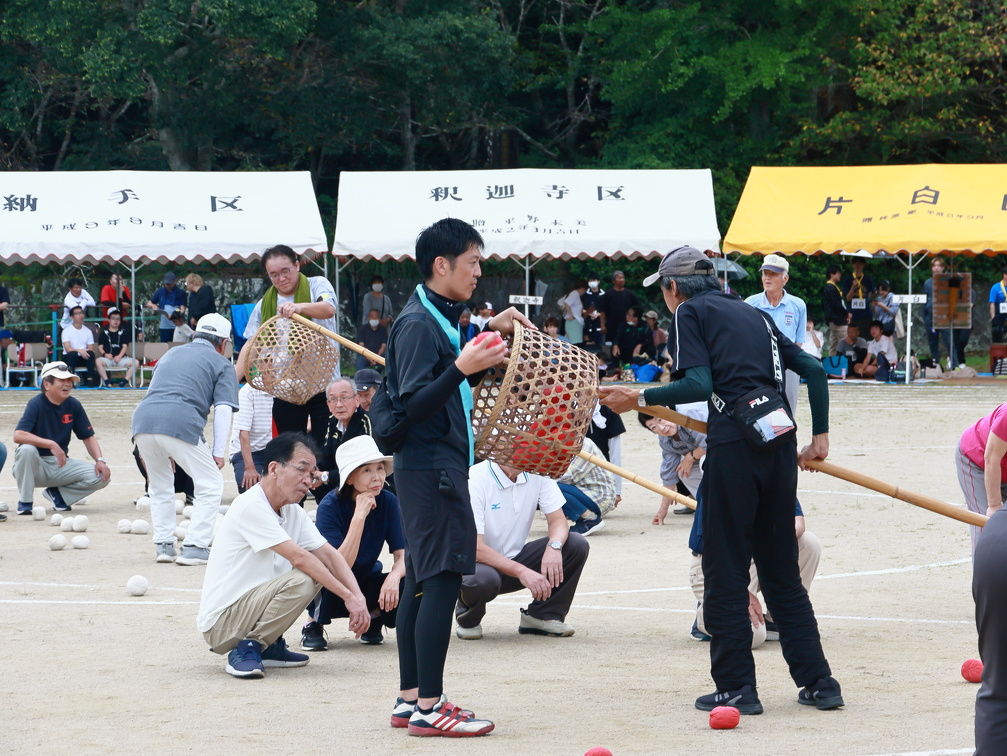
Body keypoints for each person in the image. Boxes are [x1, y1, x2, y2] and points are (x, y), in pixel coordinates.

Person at [600, 245, 841, 716]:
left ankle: (735, 687)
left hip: (735, 444)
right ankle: (819, 683)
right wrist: (821, 437)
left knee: (725, 568)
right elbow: (814, 369)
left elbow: (699, 384)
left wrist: (639, 397)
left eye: (664, 290)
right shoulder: (756, 314)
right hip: (780, 438)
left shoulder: (689, 312)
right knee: (781, 572)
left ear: (673, 287)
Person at [381, 217, 530, 737]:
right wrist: (463, 367)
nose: (478, 271)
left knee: (423, 581)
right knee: (441, 581)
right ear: (441, 265)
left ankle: (410, 700)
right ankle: (430, 706)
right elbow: (416, 403)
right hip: (431, 469)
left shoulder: (435, 315)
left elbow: (446, 377)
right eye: (473, 262)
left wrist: (489, 333)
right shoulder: (417, 324)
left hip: (432, 468)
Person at [196, 432, 369, 679]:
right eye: (302, 470)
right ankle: (248, 647)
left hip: (249, 612)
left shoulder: (292, 511)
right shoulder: (251, 505)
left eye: (312, 474)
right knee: (306, 576)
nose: (308, 480)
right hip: (223, 624)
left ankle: (268, 646)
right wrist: (348, 597)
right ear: (274, 468)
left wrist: (358, 597)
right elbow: (301, 559)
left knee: (316, 571)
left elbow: (331, 556)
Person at [132, 313, 239, 565]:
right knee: (211, 483)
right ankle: (195, 547)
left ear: (195, 335)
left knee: (160, 485)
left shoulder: (170, 354)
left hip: (143, 421)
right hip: (179, 421)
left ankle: (164, 546)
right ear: (224, 343)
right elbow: (224, 409)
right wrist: (218, 451)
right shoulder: (222, 363)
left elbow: (155, 393)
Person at [455, 459, 590, 641]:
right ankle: (468, 617)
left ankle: (543, 615)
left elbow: (558, 520)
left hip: (516, 558)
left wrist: (554, 546)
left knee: (575, 544)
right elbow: (476, 548)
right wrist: (521, 571)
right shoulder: (474, 477)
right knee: (482, 580)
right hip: (476, 565)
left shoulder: (539, 472)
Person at [302, 436, 405, 650]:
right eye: (366, 470)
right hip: (333, 584)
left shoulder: (388, 501)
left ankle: (374, 617)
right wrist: (359, 516)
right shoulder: (329, 506)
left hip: (367, 578)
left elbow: (403, 554)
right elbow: (339, 565)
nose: (377, 477)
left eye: (379, 468)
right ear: (349, 478)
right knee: (319, 578)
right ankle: (313, 623)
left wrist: (394, 577)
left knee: (410, 579)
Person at [688, 490, 821, 647]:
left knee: (808, 543)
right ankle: (706, 616)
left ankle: (778, 618)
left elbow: (797, 523)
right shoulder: (720, 481)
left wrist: (771, 544)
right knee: (751, 636)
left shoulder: (773, 478)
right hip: (719, 566)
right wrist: (740, 593)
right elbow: (717, 549)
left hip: (756, 555)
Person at [236, 245, 338, 449]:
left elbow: (328, 309)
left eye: (285, 271)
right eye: (274, 275)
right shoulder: (265, 303)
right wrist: (232, 381)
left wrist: (299, 307)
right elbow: (252, 343)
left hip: (324, 384)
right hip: (286, 387)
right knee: (291, 451)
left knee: (326, 451)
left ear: (297, 266)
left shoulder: (317, 285)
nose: (281, 278)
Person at [12, 361, 111, 515]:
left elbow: (88, 437)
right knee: (26, 450)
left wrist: (100, 460)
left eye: (69, 380)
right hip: (34, 466)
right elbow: (18, 435)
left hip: (60, 465)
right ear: (47, 384)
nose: (67, 384)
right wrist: (51, 444)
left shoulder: (73, 405)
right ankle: (25, 502)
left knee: (101, 476)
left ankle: (58, 496)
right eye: (62, 380)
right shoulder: (36, 404)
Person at [745, 254, 806, 412]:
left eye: (773, 274)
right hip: (759, 363)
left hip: (789, 363)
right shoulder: (750, 303)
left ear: (785, 279)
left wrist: (788, 363)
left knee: (789, 407)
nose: (767, 278)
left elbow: (799, 341)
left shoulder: (798, 305)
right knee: (759, 407)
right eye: (765, 273)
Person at [640, 403, 707, 522]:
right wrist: (663, 510)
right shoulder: (665, 440)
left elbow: (712, 440)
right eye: (654, 427)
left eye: (660, 420)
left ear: (667, 410)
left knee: (705, 461)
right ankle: (709, 505)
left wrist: (690, 457)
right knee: (683, 471)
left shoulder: (688, 414)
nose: (661, 428)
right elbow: (669, 475)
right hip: (707, 451)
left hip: (731, 445)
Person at [957, 403, 1007, 554]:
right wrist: (994, 505)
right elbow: (991, 458)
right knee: (987, 525)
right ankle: (986, 569)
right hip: (977, 462)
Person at [314, 377, 373, 501]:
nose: (339, 404)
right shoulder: (333, 421)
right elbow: (326, 454)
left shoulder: (366, 422)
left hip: (364, 477)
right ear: (328, 404)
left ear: (357, 400)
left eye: (344, 398)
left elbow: (364, 465)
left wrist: (326, 476)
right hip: (340, 477)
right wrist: (313, 470)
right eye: (333, 399)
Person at [556, 436, 616, 535]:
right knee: (545, 487)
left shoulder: (584, 445)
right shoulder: (562, 443)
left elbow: (566, 477)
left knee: (551, 488)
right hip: (582, 490)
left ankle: (590, 519)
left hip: (599, 496)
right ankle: (579, 519)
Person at [229, 383, 274, 494]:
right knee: (250, 488)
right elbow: (243, 433)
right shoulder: (249, 391)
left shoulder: (287, 387)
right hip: (250, 451)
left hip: (276, 449)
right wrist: (249, 467)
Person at [61, 305, 104, 388]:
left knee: (91, 353)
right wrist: (80, 351)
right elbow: (68, 349)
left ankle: (90, 380)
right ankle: (70, 380)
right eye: (77, 314)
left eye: (81, 313)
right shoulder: (66, 331)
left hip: (83, 356)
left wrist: (85, 352)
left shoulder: (88, 331)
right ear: (71, 317)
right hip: (70, 357)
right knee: (73, 354)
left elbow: (91, 348)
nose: (80, 315)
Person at [598, 270, 642, 341]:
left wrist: (635, 320)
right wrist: (602, 325)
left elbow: (638, 309)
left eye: (623, 278)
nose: (622, 280)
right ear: (613, 281)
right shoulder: (607, 295)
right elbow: (602, 311)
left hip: (627, 325)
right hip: (611, 326)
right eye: (619, 278)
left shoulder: (630, 294)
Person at [97, 308, 136, 387]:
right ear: (109, 320)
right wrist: (105, 355)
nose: (116, 321)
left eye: (118, 319)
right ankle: (107, 381)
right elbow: (100, 347)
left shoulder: (124, 333)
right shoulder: (103, 333)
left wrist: (119, 356)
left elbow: (125, 346)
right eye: (113, 319)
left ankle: (124, 382)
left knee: (136, 362)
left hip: (121, 359)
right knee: (98, 361)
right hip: (108, 358)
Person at [147, 272, 187, 343]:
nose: (167, 285)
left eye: (169, 284)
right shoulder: (160, 292)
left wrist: (174, 315)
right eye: (166, 284)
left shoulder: (181, 293)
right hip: (164, 326)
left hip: (177, 325)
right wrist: (153, 305)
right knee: (165, 345)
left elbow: (182, 309)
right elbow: (149, 303)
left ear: (175, 281)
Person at [923, 257, 947, 365]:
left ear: (943, 267)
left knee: (949, 341)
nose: (936, 268)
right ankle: (936, 364)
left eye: (938, 265)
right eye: (934, 266)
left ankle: (954, 364)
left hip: (944, 315)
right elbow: (924, 300)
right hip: (931, 316)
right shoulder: (928, 283)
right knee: (933, 342)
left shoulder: (948, 280)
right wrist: (925, 317)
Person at [842, 257, 875, 334]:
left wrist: (868, 299)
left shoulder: (868, 280)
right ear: (853, 265)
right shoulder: (848, 280)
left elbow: (873, 292)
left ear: (863, 265)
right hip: (852, 313)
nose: (858, 266)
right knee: (852, 335)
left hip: (865, 313)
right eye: (856, 264)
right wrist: (853, 287)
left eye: (860, 264)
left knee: (866, 335)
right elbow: (848, 298)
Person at [823, 265, 850, 356]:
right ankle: (849, 362)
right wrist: (846, 314)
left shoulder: (831, 287)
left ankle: (832, 363)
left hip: (833, 320)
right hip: (837, 321)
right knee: (847, 342)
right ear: (831, 274)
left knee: (834, 346)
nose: (839, 275)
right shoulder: (830, 288)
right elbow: (837, 305)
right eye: (838, 273)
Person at [558, 280, 587, 345]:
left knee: (572, 343)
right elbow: (567, 303)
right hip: (574, 322)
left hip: (573, 322)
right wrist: (570, 314)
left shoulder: (572, 293)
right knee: (575, 344)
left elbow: (560, 302)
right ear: (582, 289)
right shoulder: (575, 293)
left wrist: (565, 311)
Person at [990, 266, 1007, 344]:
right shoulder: (996, 287)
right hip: (999, 317)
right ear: (1004, 275)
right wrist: (993, 317)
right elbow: (992, 303)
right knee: (998, 340)